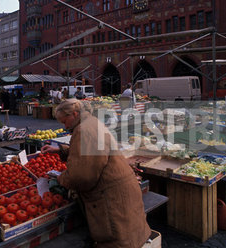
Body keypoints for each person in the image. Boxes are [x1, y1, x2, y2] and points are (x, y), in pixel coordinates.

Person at [41, 99, 151, 247]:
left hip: (111, 198)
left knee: (118, 239)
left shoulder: (83, 130)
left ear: (74, 114)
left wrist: (60, 178)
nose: (65, 126)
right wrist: (61, 150)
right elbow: (92, 152)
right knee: (130, 235)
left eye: (65, 121)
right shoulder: (91, 122)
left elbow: (82, 177)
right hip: (122, 191)